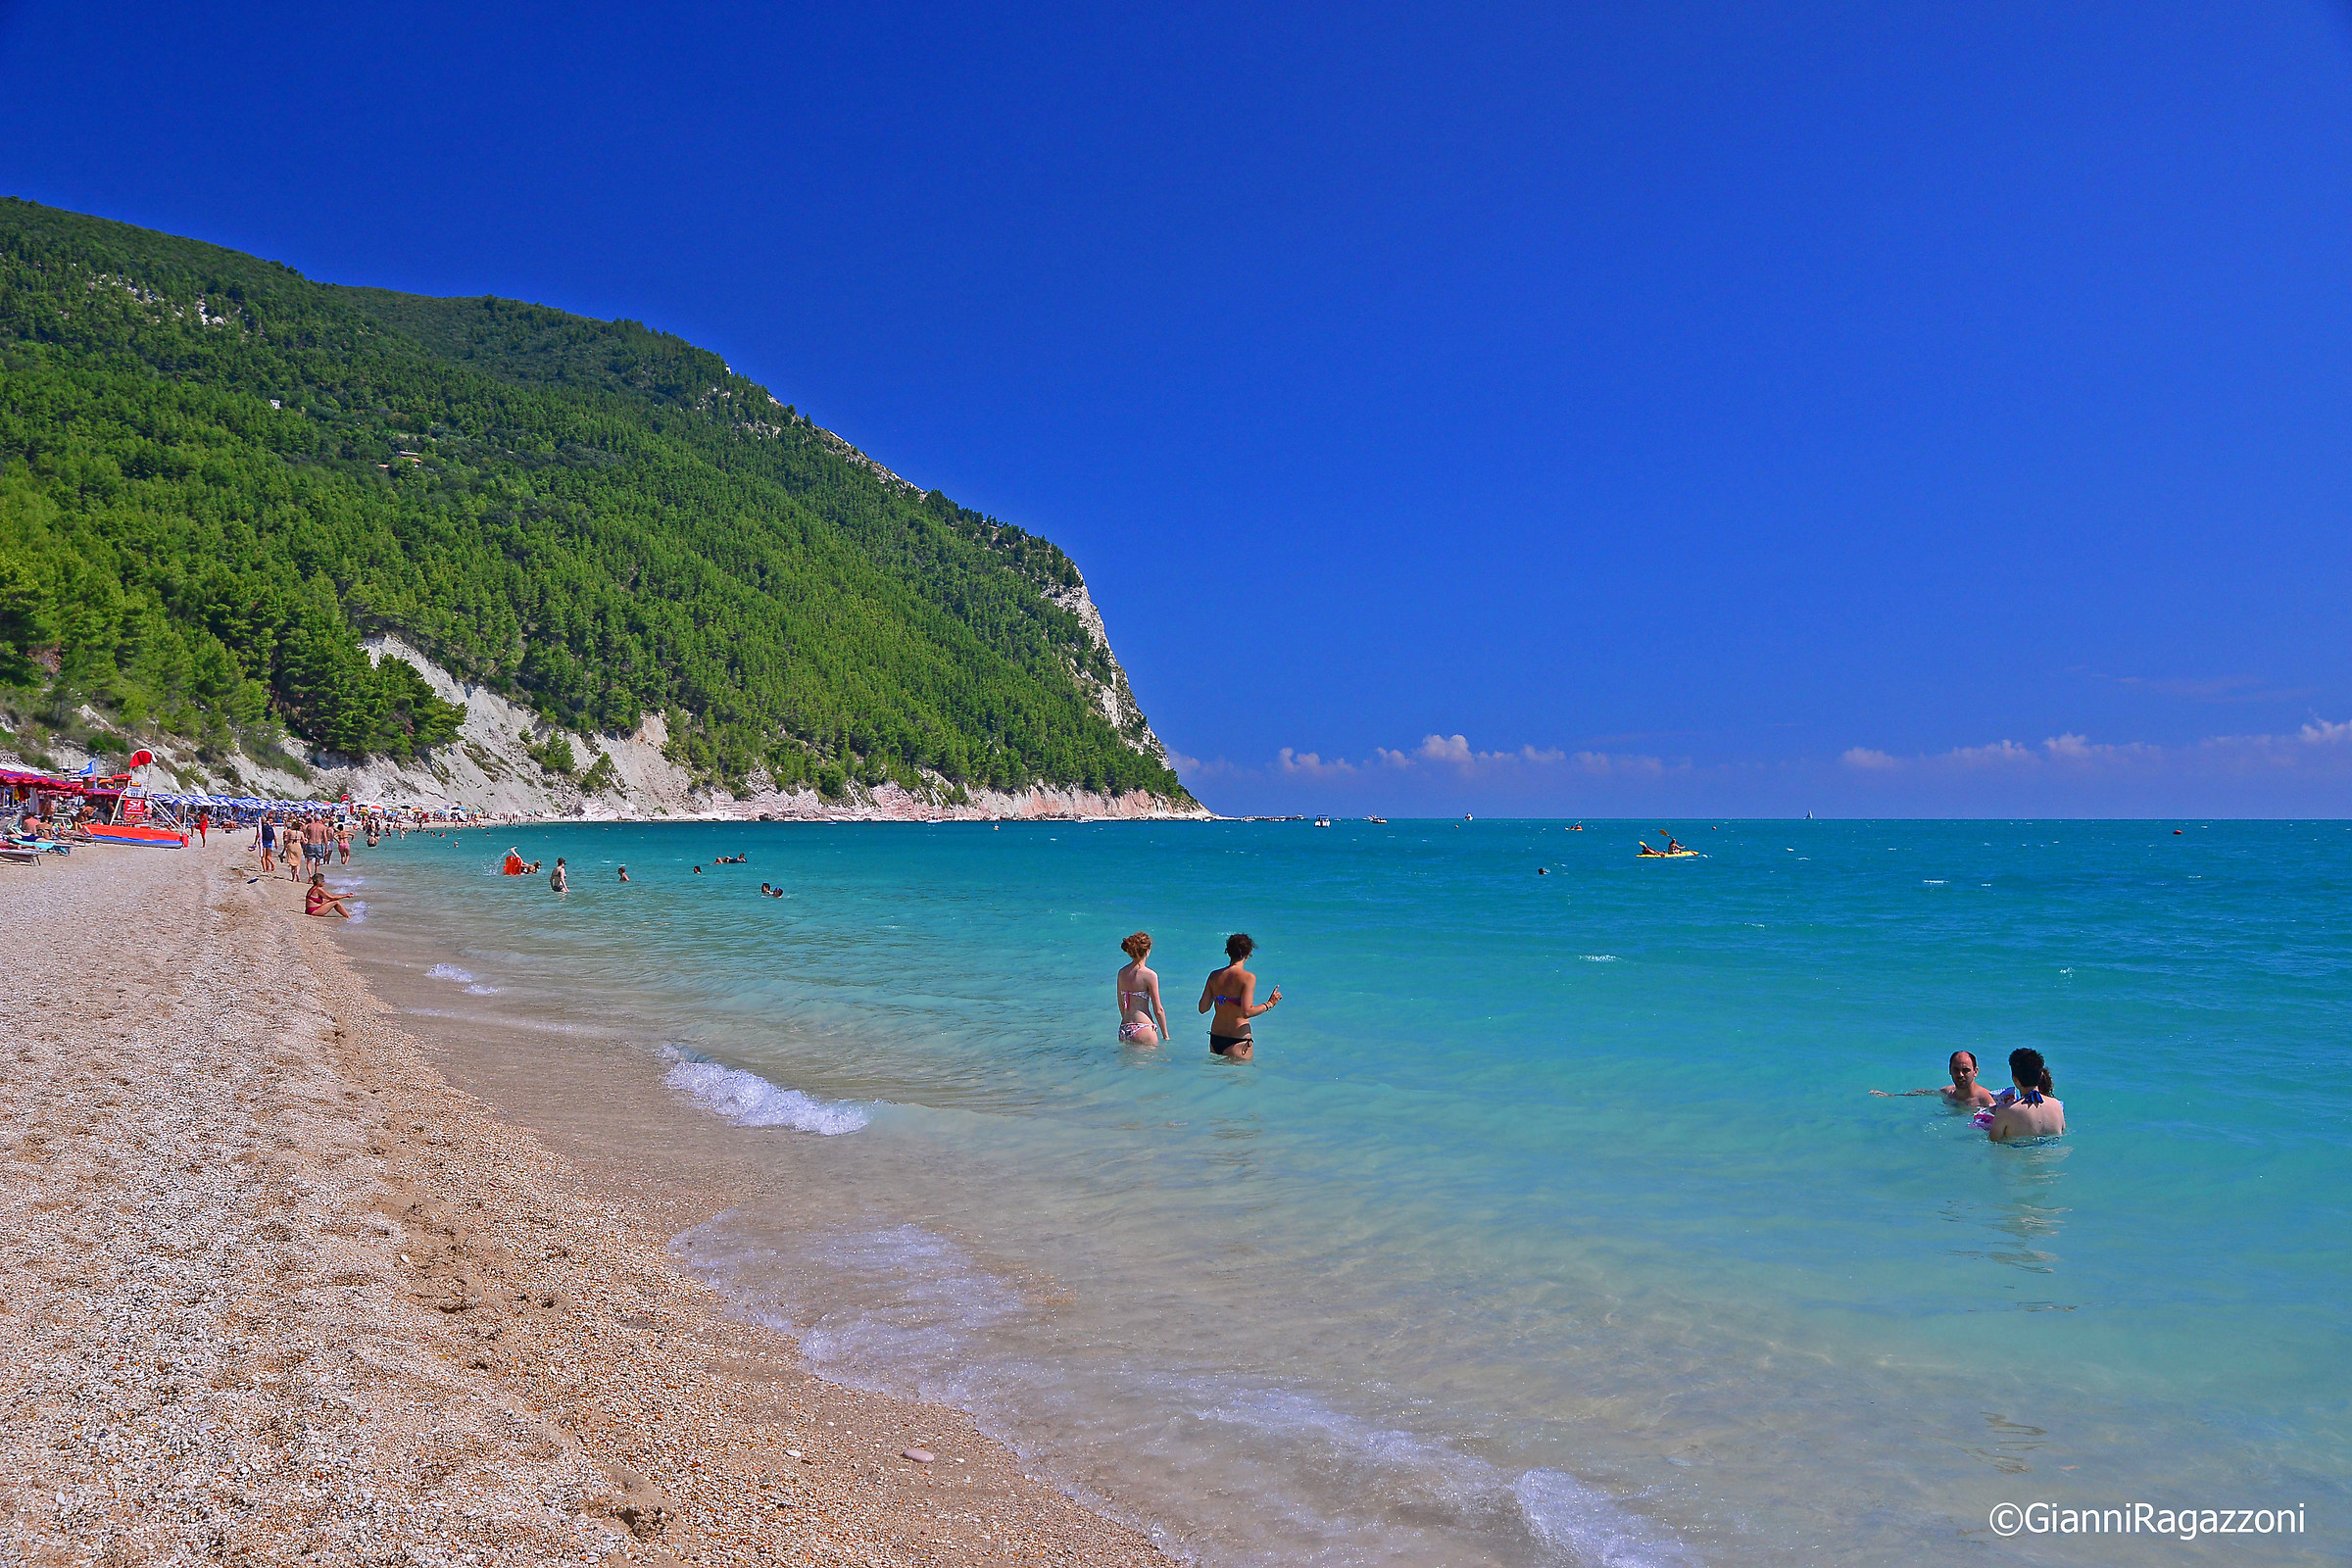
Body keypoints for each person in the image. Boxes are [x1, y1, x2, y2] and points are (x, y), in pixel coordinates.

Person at [1199, 933, 1281, 1059]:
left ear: (1228, 952)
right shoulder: (1248, 978)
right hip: (1237, 1040)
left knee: (1216, 1078)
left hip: (1216, 1038)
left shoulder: (1214, 975)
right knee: (1240, 1079)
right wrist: (1269, 1004)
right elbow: (1246, 1012)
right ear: (1248, 954)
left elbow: (1202, 1008)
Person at [1986, 1048, 2065, 1142]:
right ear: (2041, 1075)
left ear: (2015, 1079)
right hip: (2052, 1155)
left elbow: (1993, 1140)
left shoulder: (2005, 1112)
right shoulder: (2057, 1105)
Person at [1871, 1050, 1997, 1106]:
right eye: (1956, 1070)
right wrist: (1890, 1095)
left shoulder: (1985, 1100)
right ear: (1949, 1070)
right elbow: (1923, 1093)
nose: (1960, 1075)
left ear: (1975, 1072)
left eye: (1966, 1070)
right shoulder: (1947, 1092)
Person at [1115, 932, 1170, 1046]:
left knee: (1128, 1063)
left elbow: (1121, 1004)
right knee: (1150, 1063)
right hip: (1143, 1028)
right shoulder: (1149, 975)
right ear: (1147, 951)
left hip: (1125, 1028)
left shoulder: (1122, 973)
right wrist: (1166, 1035)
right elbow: (1158, 1009)